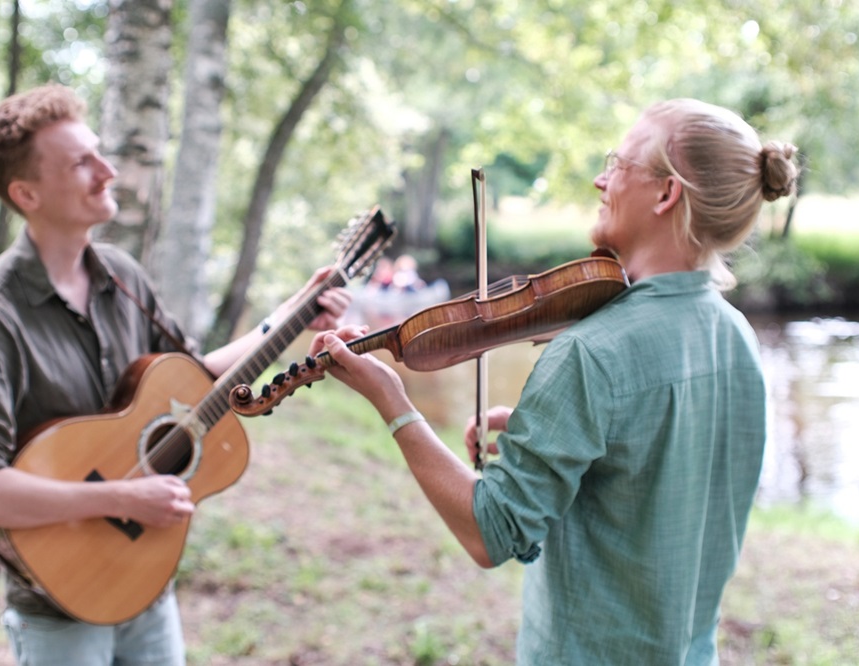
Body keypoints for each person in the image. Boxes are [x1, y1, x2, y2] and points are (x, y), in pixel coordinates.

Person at [310, 99, 799, 663]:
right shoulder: (736, 337)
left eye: (619, 163)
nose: (601, 178)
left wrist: (395, 405)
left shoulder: (591, 352)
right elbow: (660, 475)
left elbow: (489, 532)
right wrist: (561, 437)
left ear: (666, 194)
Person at [0, 83, 351, 665]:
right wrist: (124, 495)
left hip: (146, 575)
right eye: (82, 162)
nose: (108, 171)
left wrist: (291, 315)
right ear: (26, 192)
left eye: (100, 153)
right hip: (61, 600)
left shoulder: (121, 274)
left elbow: (189, 379)